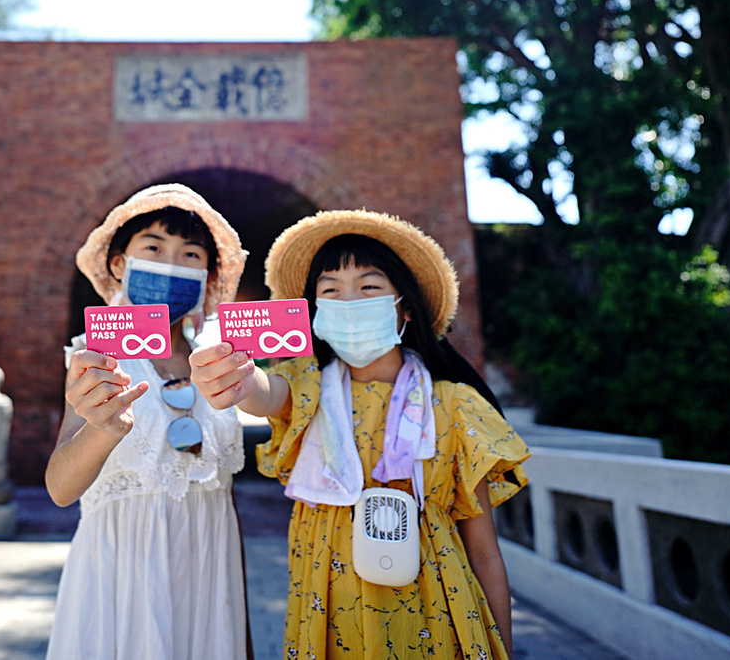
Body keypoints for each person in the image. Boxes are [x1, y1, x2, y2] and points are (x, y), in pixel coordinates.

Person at [190, 209, 529, 660]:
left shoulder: (456, 406)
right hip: (330, 620)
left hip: (438, 619)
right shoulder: (308, 385)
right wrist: (238, 380)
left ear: (404, 306)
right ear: (315, 312)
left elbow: (484, 553)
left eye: (369, 287)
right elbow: (268, 394)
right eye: (331, 291)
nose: (348, 302)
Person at [45, 183, 252, 660]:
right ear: (120, 264)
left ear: (208, 275)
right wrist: (104, 427)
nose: (171, 263)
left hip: (208, 582)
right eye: (154, 248)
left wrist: (239, 627)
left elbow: (225, 499)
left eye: (190, 253)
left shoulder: (221, 366)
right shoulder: (93, 358)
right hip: (118, 580)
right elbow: (60, 487)